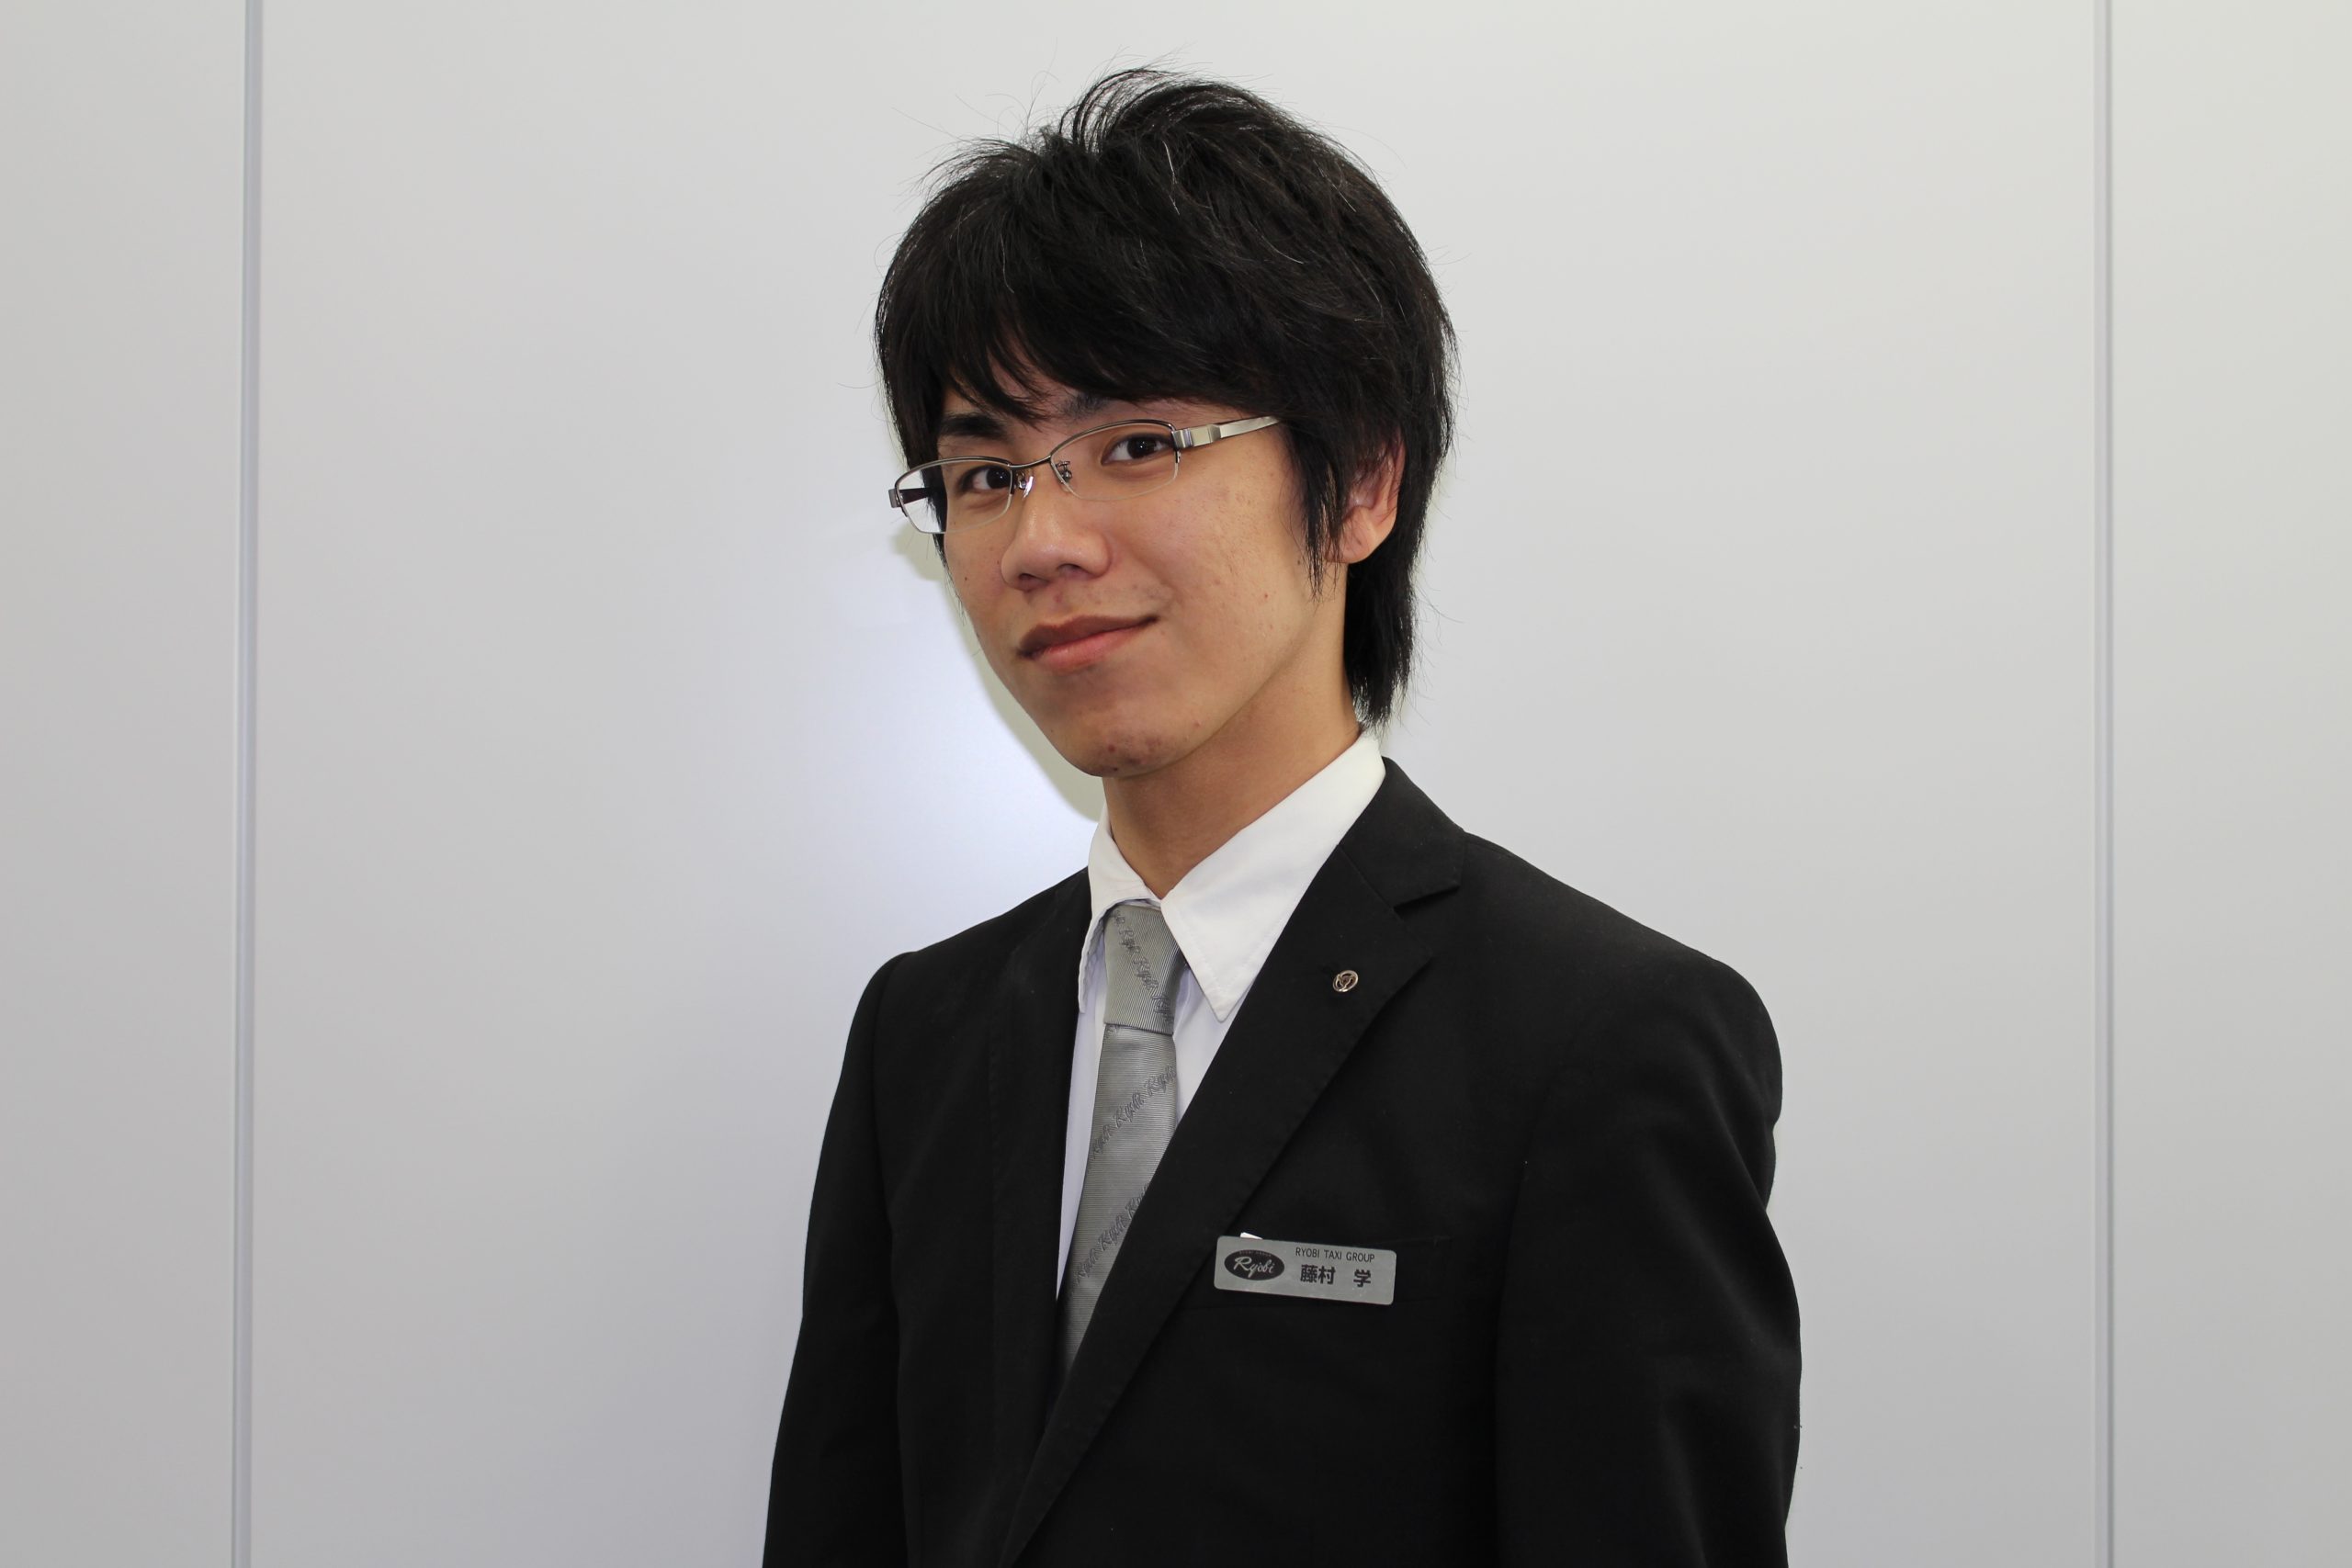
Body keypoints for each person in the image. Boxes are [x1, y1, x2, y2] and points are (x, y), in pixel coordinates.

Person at [765, 68, 1799, 1567]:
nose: (1043, 539)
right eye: (986, 472)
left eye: (1138, 444)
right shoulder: (925, 1032)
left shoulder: (1596, 1045)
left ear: (1361, 478)